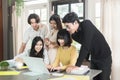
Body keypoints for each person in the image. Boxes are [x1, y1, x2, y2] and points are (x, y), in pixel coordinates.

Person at [62, 12, 112, 80]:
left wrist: (77, 65)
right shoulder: (74, 36)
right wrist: (85, 59)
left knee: (104, 78)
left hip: (104, 57)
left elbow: (86, 45)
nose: (67, 29)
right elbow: (87, 46)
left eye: (68, 26)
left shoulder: (86, 24)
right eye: (65, 27)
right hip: (94, 57)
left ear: (75, 22)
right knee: (94, 78)